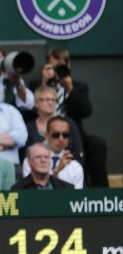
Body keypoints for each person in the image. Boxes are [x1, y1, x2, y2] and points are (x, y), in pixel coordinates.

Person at [29, 47, 108, 187]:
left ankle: (100, 192)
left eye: (62, 66)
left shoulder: (78, 86)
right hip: (46, 132)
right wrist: (44, 82)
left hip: (73, 133)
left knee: (97, 144)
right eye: (55, 66)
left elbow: (86, 111)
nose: (58, 70)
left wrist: (70, 88)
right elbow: (31, 110)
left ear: (69, 65)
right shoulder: (37, 85)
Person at [25, 86, 83, 165]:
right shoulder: (29, 127)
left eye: (53, 100)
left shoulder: (68, 123)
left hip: (67, 169)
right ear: (36, 103)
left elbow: (78, 153)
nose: (50, 103)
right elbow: (26, 156)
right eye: (46, 100)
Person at [22, 116, 84, 189]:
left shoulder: (75, 167)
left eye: (65, 135)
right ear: (46, 135)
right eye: (56, 135)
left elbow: (76, 197)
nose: (61, 139)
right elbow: (32, 190)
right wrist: (57, 169)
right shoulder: (31, 161)